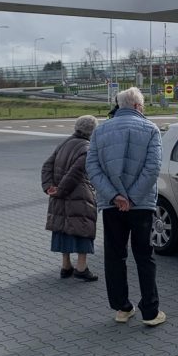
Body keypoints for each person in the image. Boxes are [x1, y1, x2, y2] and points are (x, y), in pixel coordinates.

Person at [86, 87, 166, 327]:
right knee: (144, 256)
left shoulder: (100, 130)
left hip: (112, 206)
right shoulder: (151, 129)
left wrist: (115, 197)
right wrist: (131, 198)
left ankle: (122, 308)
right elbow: (153, 168)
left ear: (119, 105)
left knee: (114, 256)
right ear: (138, 106)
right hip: (141, 205)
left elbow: (92, 168)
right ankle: (150, 312)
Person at [42, 115, 100, 281]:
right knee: (83, 229)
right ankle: (81, 268)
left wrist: (49, 187)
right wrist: (60, 190)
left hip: (59, 196)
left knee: (63, 229)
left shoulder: (64, 143)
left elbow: (47, 166)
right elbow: (75, 174)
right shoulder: (87, 148)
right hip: (79, 196)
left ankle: (66, 266)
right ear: (92, 131)